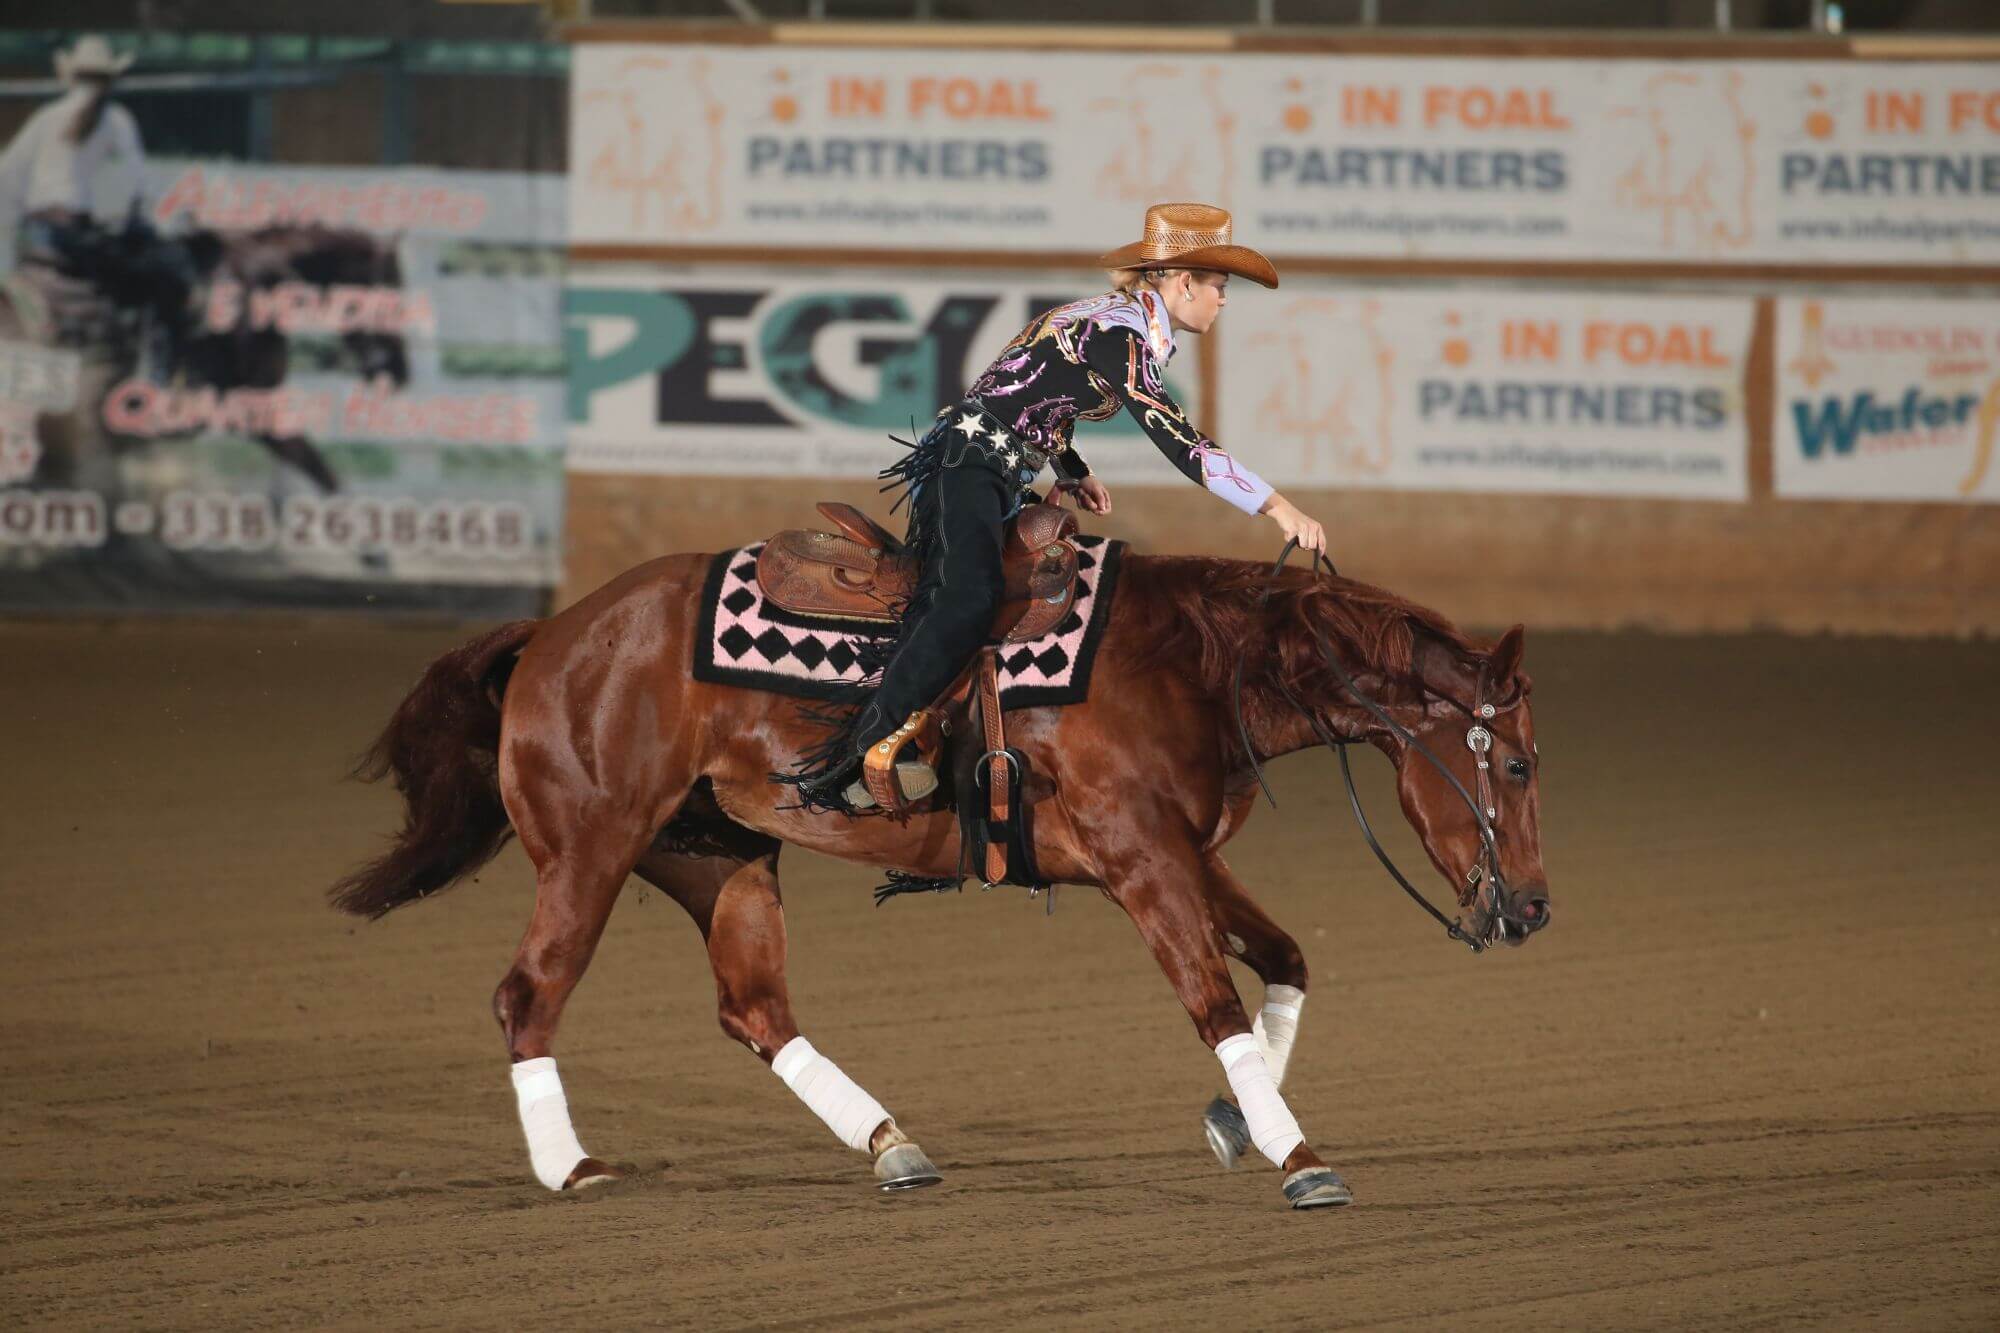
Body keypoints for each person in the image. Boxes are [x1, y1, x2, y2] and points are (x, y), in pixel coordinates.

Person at [789, 202, 1327, 813]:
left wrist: (1072, 469)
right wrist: (1276, 507)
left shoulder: (1108, 320)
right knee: (967, 596)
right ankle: (867, 754)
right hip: (967, 468)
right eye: (1220, 287)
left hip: (991, 467)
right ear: (1183, 283)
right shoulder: (1120, 334)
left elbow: (1031, 390)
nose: (1224, 301)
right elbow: (1177, 438)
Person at [0, 35, 193, 376]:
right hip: (79, 239)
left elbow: (7, 179)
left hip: (39, 234)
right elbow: (135, 191)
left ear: (69, 77)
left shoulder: (48, 117)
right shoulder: (117, 121)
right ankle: (156, 376)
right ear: (111, 79)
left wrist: (9, 249)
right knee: (167, 275)